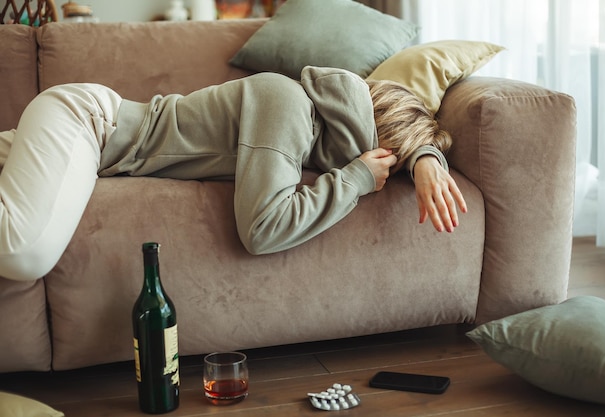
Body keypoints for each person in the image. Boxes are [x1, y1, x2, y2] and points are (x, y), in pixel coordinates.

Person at [0, 66, 466, 282]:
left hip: (90, 146)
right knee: (24, 253)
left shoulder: (317, 127)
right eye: (392, 163)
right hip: (88, 125)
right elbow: (262, 229)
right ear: (374, 140)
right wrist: (356, 179)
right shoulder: (287, 105)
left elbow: (402, 134)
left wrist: (426, 157)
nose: (388, 177)